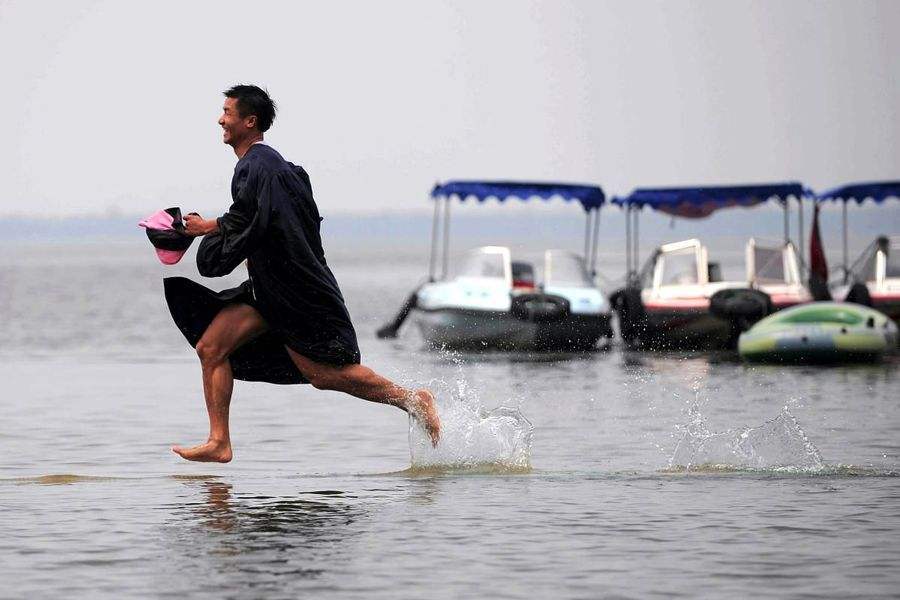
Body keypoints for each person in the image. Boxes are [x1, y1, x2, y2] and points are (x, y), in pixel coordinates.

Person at [166, 84, 440, 463]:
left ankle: (414, 400)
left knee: (326, 375)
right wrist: (210, 227)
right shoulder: (270, 168)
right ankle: (219, 441)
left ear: (250, 121)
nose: (220, 119)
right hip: (268, 287)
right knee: (211, 348)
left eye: (227, 112)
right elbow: (255, 219)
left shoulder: (258, 165)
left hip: (292, 291)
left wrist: (206, 229)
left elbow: (250, 220)